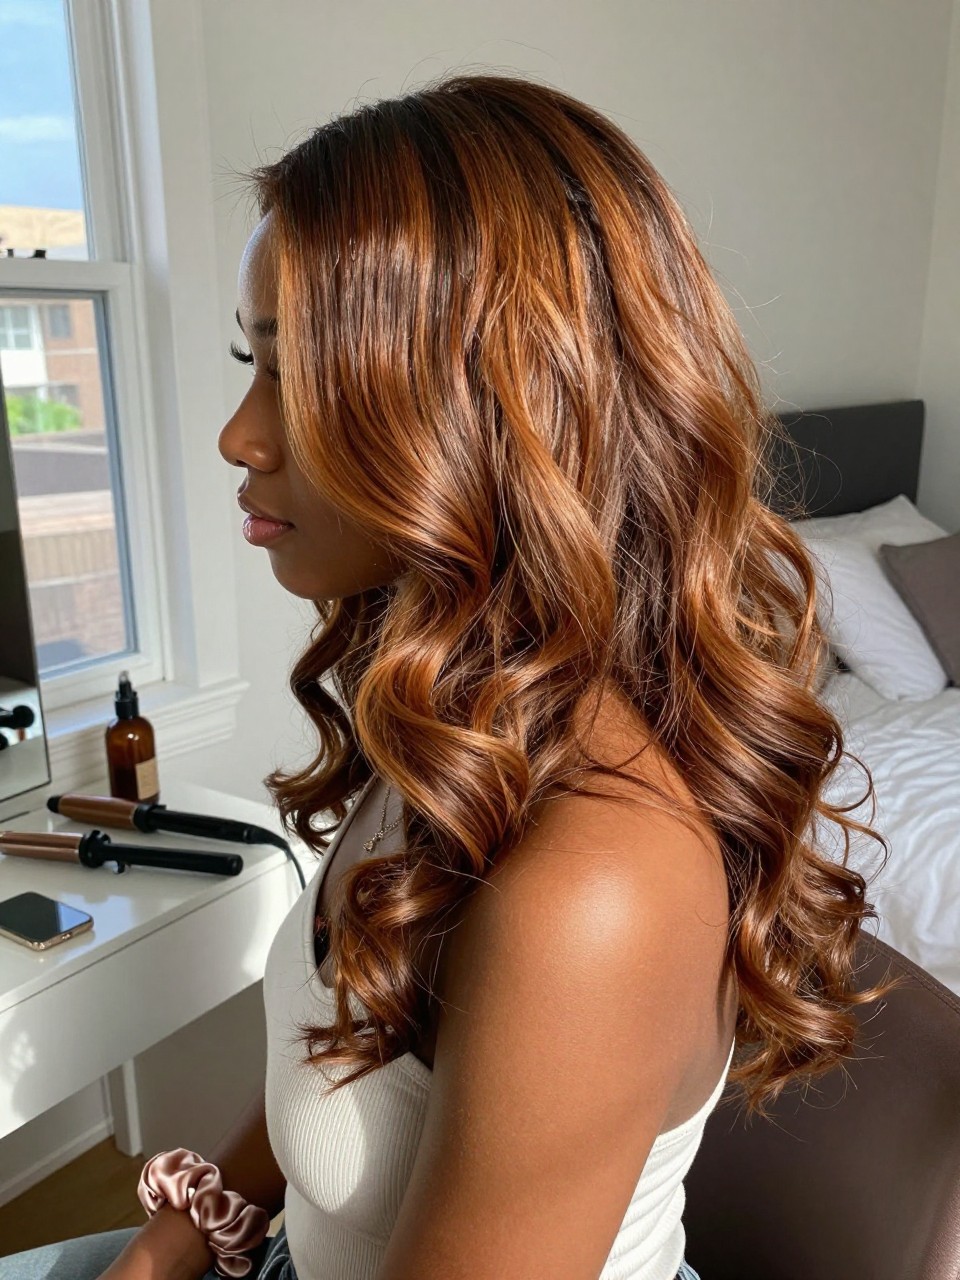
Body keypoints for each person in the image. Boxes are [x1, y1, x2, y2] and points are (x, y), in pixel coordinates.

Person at [0, 72, 894, 1280]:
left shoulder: (592, 885)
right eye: (247, 358)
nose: (238, 436)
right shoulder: (450, 721)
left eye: (294, 370)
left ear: (492, 407)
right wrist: (172, 1241)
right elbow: (345, 1057)